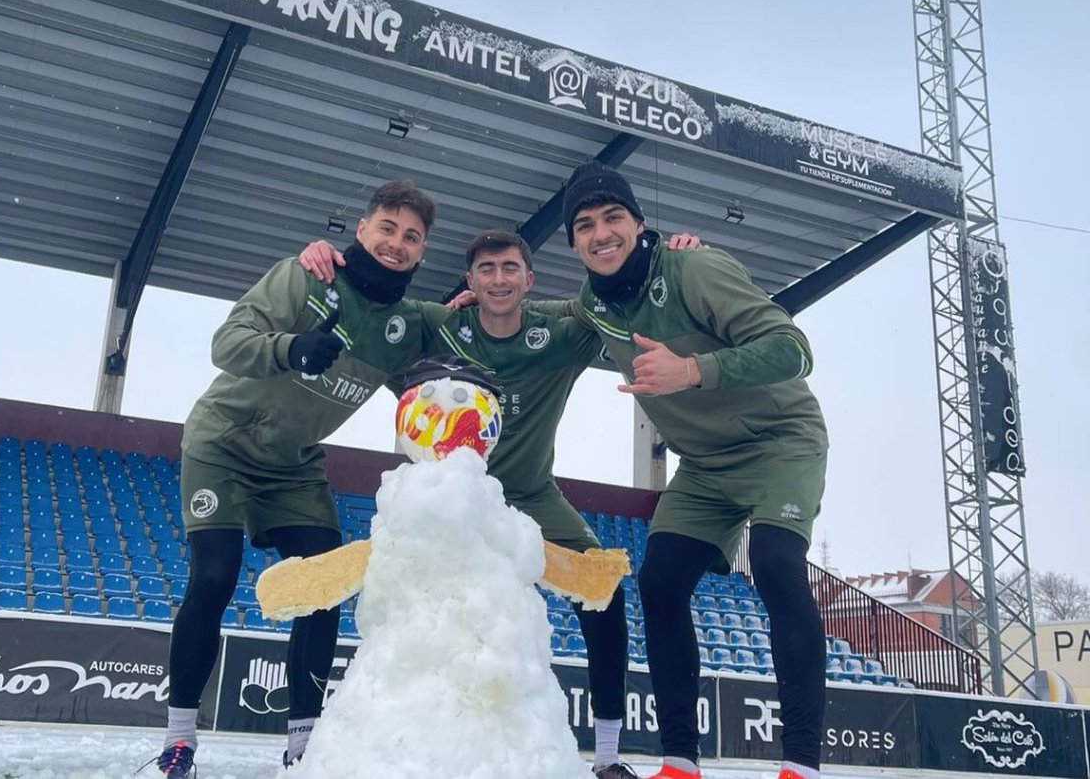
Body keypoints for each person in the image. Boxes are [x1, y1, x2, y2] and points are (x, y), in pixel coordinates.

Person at [300, 228, 698, 778]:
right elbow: (375, 301)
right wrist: (324, 255)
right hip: (457, 497)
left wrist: (674, 258)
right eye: (486, 269)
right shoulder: (444, 326)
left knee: (603, 594)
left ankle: (607, 755)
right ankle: (386, 728)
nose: (499, 279)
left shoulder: (558, 336)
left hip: (533, 495)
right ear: (470, 280)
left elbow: (609, 296)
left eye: (510, 268)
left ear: (529, 279)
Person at [150, 180, 449, 777]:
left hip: (293, 466)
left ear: (422, 251)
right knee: (214, 576)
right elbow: (226, 344)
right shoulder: (306, 275)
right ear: (361, 229)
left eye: (411, 237)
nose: (396, 243)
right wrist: (290, 348)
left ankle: (303, 743)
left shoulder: (407, 324)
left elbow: (446, 360)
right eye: (387, 228)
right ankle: (180, 739)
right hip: (224, 444)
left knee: (323, 586)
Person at [561, 161, 829, 779]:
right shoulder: (593, 304)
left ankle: (802, 766)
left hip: (778, 441)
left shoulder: (696, 268)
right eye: (585, 225)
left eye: (613, 217)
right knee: (658, 583)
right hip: (706, 466)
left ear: (639, 223)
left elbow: (794, 350)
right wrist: (482, 300)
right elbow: (544, 318)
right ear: (573, 243)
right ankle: (679, 761)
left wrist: (692, 370)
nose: (601, 234)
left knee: (776, 564)